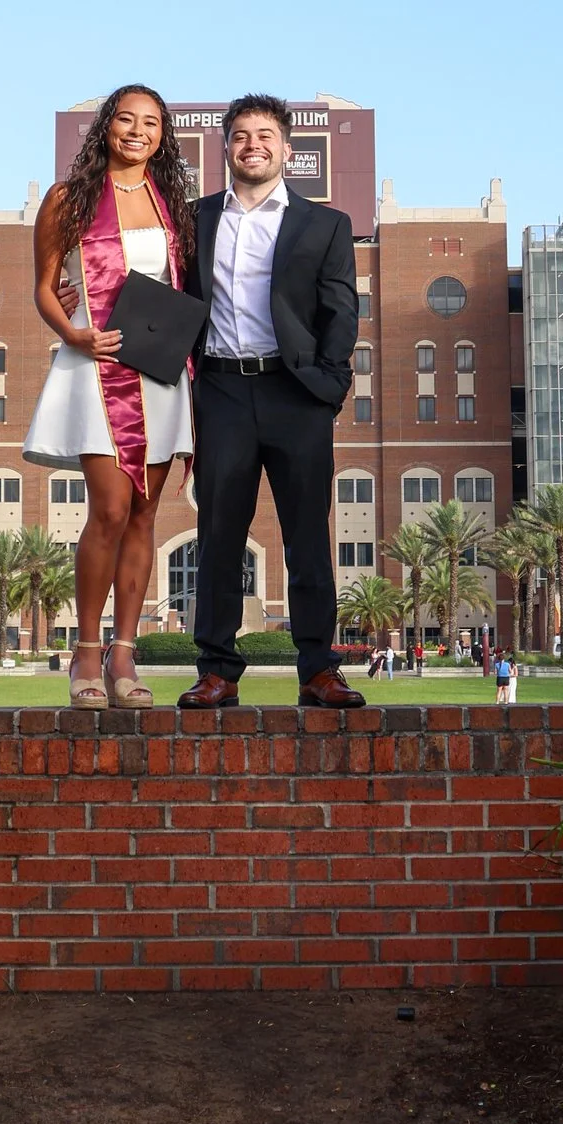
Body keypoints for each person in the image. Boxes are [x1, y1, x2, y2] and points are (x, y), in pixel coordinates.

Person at [181, 95, 365, 712]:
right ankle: (217, 671)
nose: (251, 144)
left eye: (264, 134)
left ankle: (317, 668)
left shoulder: (326, 224)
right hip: (223, 391)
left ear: (287, 149)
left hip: (298, 395)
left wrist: (331, 386)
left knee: (307, 535)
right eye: (239, 135)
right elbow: (155, 281)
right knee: (219, 534)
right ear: (226, 148)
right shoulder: (195, 218)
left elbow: (341, 310)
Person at [27, 82, 199, 708]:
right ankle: (87, 652)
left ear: (163, 135)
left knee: (146, 514)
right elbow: (46, 286)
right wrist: (73, 332)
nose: (137, 131)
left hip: (159, 371)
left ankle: (126, 656)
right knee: (108, 509)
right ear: (105, 127)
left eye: (150, 123)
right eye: (125, 119)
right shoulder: (68, 199)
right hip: (96, 366)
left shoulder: (173, 205)